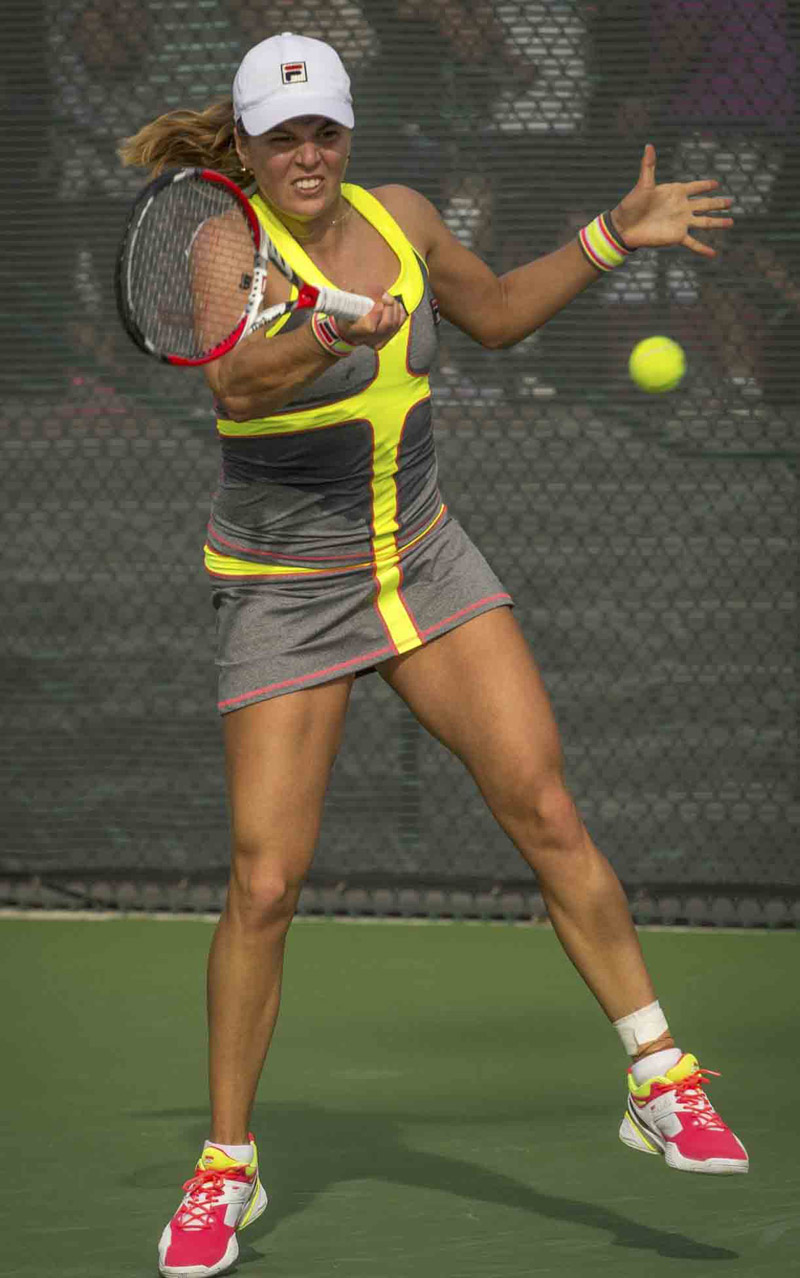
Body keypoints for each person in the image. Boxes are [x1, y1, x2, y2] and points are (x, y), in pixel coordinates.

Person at [120, 32, 747, 1278]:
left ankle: (657, 1073)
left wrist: (611, 237)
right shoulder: (223, 246)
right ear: (244, 147)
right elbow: (238, 387)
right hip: (286, 589)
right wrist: (333, 333)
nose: (307, 155)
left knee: (544, 808)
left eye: (324, 131)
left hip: (424, 560)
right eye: (281, 138)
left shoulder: (399, 215)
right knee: (263, 884)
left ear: (348, 135)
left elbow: (497, 314)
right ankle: (227, 1167)